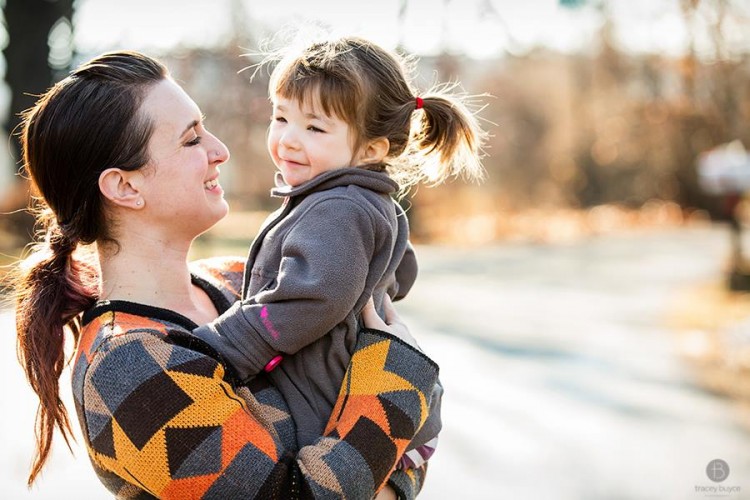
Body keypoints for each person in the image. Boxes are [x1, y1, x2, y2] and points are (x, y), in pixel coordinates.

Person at [13, 50, 439, 499]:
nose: (221, 151)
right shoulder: (127, 367)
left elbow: (408, 439)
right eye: (191, 139)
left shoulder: (240, 281)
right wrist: (399, 381)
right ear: (125, 186)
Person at [192, 35, 485, 464]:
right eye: (281, 117)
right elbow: (400, 271)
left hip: (327, 410)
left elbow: (314, 296)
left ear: (371, 149)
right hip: (368, 408)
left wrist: (225, 345)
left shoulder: (339, 206)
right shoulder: (363, 200)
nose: (288, 140)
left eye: (314, 127)